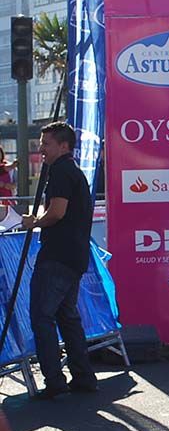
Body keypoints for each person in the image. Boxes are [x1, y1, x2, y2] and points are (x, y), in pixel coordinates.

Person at [20, 122, 99, 400]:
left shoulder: (61, 172)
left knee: (42, 316)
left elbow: (57, 212)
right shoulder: (73, 171)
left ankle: (54, 379)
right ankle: (83, 375)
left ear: (63, 145)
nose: (41, 148)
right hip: (74, 255)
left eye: (46, 143)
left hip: (57, 255)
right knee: (67, 316)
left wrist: (33, 223)